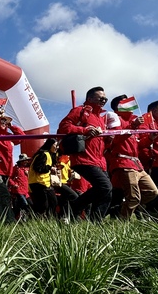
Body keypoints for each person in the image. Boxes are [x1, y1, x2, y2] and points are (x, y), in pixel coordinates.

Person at [57, 86, 112, 222]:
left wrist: (109, 140)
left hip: (99, 160)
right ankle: (74, 207)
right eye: (101, 97)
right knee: (105, 186)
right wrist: (84, 129)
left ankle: (96, 223)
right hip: (83, 158)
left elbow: (101, 144)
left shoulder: (101, 118)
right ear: (90, 98)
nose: (104, 100)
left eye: (105, 98)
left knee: (107, 192)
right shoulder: (80, 111)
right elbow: (63, 127)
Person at [106, 95, 158, 221]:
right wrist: (132, 127)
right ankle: (124, 223)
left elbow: (138, 145)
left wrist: (150, 139)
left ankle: (120, 209)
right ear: (117, 107)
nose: (129, 107)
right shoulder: (114, 120)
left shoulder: (133, 122)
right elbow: (114, 141)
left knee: (152, 191)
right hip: (123, 162)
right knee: (133, 197)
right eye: (124, 104)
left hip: (136, 164)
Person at [28, 139, 59, 218]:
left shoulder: (48, 155)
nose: (57, 147)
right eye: (55, 145)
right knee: (42, 206)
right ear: (50, 145)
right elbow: (38, 168)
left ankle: (48, 220)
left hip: (45, 183)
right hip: (38, 183)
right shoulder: (43, 154)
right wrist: (50, 168)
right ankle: (33, 220)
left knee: (53, 202)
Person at [8, 154, 31, 221]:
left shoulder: (27, 169)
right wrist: (14, 184)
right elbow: (9, 178)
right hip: (18, 191)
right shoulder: (15, 168)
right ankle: (19, 219)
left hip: (26, 191)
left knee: (29, 205)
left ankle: (22, 219)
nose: (26, 161)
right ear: (21, 161)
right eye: (25, 160)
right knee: (25, 205)